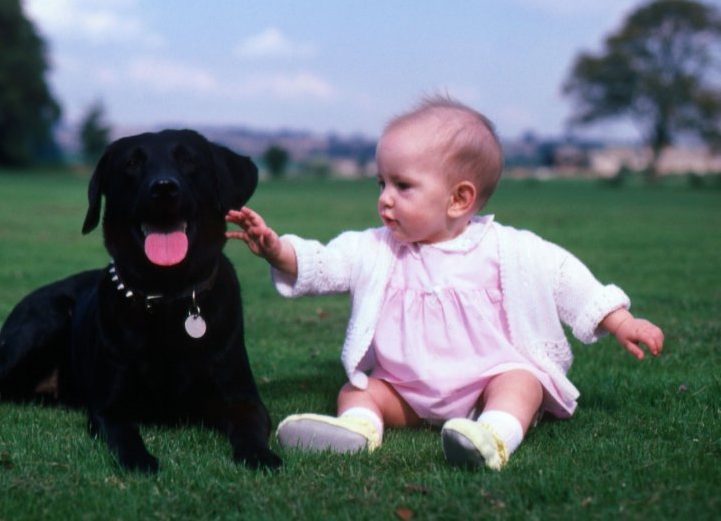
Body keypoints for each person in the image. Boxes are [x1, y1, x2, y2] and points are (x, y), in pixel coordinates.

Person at [225, 95, 664, 470]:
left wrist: (620, 320)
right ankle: (359, 428)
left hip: (484, 383)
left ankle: (492, 434)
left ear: (459, 199)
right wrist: (278, 250)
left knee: (522, 381)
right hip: (408, 390)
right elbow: (326, 263)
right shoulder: (377, 248)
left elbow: (568, 279)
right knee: (362, 389)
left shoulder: (509, 249)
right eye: (381, 183)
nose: (384, 199)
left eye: (403, 185)